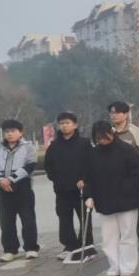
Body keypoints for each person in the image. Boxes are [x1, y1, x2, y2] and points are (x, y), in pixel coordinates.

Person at [85, 121, 139, 276]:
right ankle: (114, 268)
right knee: (108, 238)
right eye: (99, 138)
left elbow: (138, 173)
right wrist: (89, 196)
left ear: (112, 133)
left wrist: (128, 189)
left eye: (105, 137)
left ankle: (128, 268)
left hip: (127, 200)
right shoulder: (93, 154)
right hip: (104, 201)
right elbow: (88, 177)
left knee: (127, 235)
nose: (103, 140)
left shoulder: (127, 150)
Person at [43, 111, 94, 260]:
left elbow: (91, 163)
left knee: (84, 218)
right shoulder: (54, 145)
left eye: (67, 123)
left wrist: (85, 179)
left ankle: (87, 246)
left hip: (81, 189)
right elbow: (48, 165)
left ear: (75, 125)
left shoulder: (84, 143)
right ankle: (69, 246)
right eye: (62, 123)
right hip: (62, 189)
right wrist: (55, 179)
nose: (64, 126)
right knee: (64, 218)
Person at [0, 119, 38, 262]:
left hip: (23, 187)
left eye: (13, 131)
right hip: (3, 188)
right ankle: (10, 250)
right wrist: (0, 180)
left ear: (20, 133)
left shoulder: (28, 147)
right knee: (6, 222)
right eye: (7, 132)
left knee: (28, 219)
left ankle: (31, 248)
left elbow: (31, 165)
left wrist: (11, 179)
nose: (9, 134)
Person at [107, 101, 139, 249]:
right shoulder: (108, 132)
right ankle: (122, 239)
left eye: (117, 112)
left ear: (126, 114)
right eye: (111, 112)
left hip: (134, 177)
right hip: (114, 178)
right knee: (118, 210)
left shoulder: (135, 132)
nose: (114, 115)